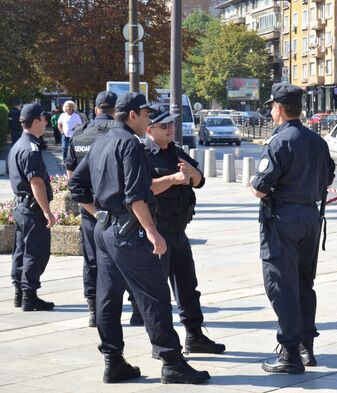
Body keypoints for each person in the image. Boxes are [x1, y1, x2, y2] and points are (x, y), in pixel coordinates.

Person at [68, 93, 210, 385]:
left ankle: (113, 361)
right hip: (128, 231)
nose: (148, 119)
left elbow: (76, 185)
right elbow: (136, 195)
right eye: (145, 114)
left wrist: (100, 215)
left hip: (105, 231)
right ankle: (171, 362)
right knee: (154, 297)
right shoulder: (129, 144)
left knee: (108, 298)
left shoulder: (101, 142)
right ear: (131, 115)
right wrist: (152, 231)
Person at [250, 83, 335, 374]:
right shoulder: (317, 141)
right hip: (310, 218)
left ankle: (289, 353)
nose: (272, 111)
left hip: (282, 219)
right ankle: (306, 347)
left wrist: (253, 186)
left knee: (280, 286)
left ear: (279, 109)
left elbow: (261, 187)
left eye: (272, 107)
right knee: (303, 284)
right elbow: (328, 177)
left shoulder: (279, 142)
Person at [139, 105, 225, 355]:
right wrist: (172, 180)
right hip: (155, 231)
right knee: (158, 292)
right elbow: (143, 190)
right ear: (149, 129)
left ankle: (195, 336)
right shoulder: (142, 153)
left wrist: (192, 174)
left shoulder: (175, 151)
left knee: (188, 287)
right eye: (164, 126)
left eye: (172, 125)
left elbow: (199, 181)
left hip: (178, 231)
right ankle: (163, 345)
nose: (170, 129)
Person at [64, 91, 118, 327]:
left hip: (89, 208)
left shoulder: (79, 134)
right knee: (125, 259)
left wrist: (87, 204)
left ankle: (94, 311)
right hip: (116, 208)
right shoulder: (120, 134)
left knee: (92, 260)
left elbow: (71, 174)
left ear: (96, 109)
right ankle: (135, 310)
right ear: (115, 110)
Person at [8, 103, 56, 311]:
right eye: (43, 119)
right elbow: (36, 182)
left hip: (21, 208)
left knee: (21, 251)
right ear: (35, 121)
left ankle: (20, 293)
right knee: (35, 252)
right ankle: (29, 296)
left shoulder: (19, 144)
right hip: (32, 209)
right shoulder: (31, 148)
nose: (46, 122)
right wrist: (47, 212)